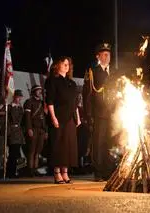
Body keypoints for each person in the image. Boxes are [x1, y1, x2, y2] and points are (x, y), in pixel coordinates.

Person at [45, 56, 81, 184]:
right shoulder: (52, 81)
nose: (66, 66)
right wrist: (53, 117)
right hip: (58, 116)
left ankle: (65, 172)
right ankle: (57, 173)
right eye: (64, 63)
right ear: (57, 65)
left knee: (68, 145)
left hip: (70, 117)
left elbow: (75, 102)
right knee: (58, 144)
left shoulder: (71, 83)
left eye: (68, 64)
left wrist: (78, 117)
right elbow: (50, 101)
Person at [83, 43, 114, 181]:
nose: (107, 57)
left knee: (109, 143)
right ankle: (98, 171)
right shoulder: (93, 72)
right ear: (98, 56)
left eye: (109, 54)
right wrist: (89, 114)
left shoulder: (114, 72)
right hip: (99, 113)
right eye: (105, 54)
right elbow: (88, 94)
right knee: (98, 142)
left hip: (113, 114)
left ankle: (108, 171)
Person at [24, 85, 47, 177]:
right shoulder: (29, 102)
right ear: (34, 91)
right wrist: (29, 128)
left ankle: (35, 168)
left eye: (40, 90)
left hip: (41, 129)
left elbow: (44, 118)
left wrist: (45, 130)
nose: (40, 92)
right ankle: (30, 169)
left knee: (38, 151)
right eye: (38, 90)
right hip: (33, 128)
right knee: (32, 151)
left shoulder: (42, 102)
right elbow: (27, 117)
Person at [7, 89, 25, 178]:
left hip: (18, 132)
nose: (19, 99)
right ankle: (10, 172)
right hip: (12, 131)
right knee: (12, 153)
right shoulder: (10, 107)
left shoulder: (20, 108)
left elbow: (22, 120)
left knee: (17, 153)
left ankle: (15, 172)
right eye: (18, 97)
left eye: (20, 97)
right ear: (14, 97)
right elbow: (11, 118)